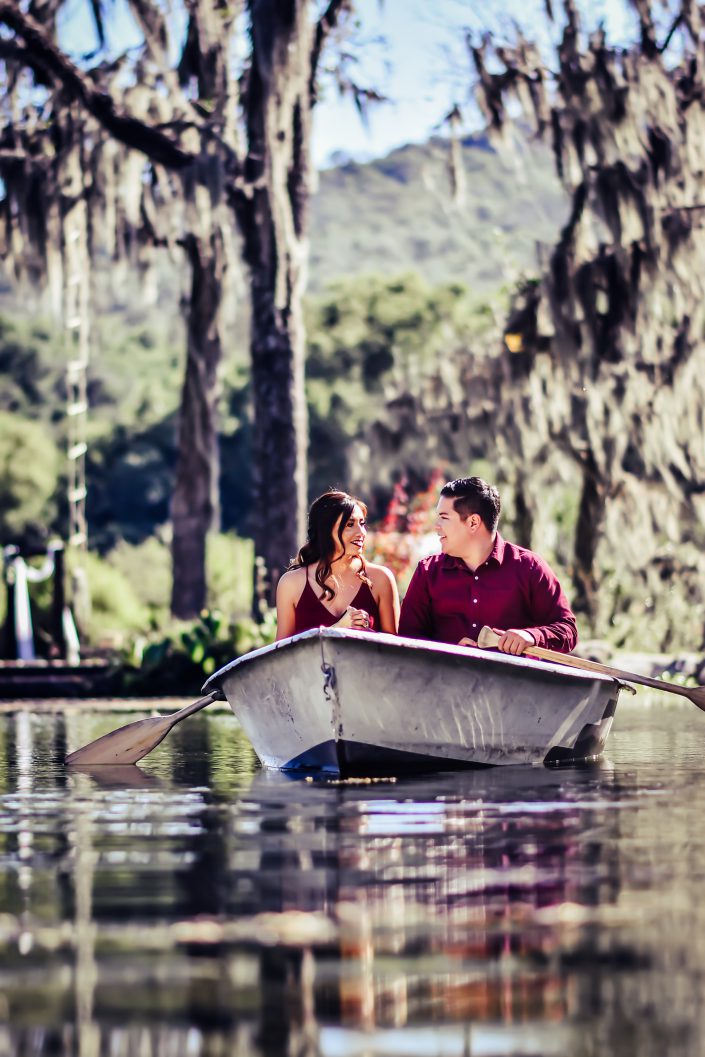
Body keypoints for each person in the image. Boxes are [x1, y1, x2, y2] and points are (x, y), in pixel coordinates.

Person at [398, 476, 577, 655]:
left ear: (473, 523)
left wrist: (531, 636)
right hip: (443, 682)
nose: (436, 526)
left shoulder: (530, 568)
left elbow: (568, 630)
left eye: (444, 517)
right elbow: (407, 639)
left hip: (511, 682)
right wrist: (449, 652)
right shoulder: (428, 572)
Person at [276, 490, 400, 639]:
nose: (361, 532)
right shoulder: (290, 583)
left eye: (362, 523)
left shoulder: (381, 579)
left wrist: (367, 634)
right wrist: (339, 628)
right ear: (325, 530)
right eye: (350, 524)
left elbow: (395, 652)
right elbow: (281, 656)